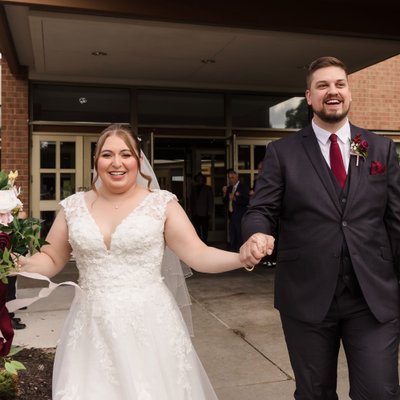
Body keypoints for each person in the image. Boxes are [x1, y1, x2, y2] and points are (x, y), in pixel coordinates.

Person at [16, 124, 248, 400]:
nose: (117, 163)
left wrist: (241, 257)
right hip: (91, 327)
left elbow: (199, 254)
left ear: (138, 160)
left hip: (149, 326)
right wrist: (17, 262)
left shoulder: (161, 204)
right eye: (107, 155)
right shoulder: (73, 207)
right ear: (96, 161)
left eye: (125, 154)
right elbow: (51, 258)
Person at [240, 56, 400, 399]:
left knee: (381, 392)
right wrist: (257, 233)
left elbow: (396, 220)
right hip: (306, 295)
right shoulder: (282, 152)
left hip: (372, 296)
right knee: (314, 393)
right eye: (322, 85)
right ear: (309, 97)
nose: (333, 91)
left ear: (349, 92)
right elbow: (261, 209)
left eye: (339, 84)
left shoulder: (380, 148)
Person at [222, 169, 249, 252]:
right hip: (231, 215)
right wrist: (224, 193)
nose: (231, 180)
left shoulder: (243, 187)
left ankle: (240, 253)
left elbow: (247, 201)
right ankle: (233, 253)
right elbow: (225, 201)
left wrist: (235, 199)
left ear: (237, 177)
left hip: (240, 216)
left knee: (239, 235)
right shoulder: (229, 188)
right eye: (229, 178)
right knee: (232, 235)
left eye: (232, 178)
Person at [189, 172, 214, 244]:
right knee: (196, 229)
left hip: (205, 213)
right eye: (198, 179)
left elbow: (210, 200)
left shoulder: (208, 188)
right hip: (195, 213)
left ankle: (204, 242)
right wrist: (190, 210)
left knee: (205, 229)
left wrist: (210, 211)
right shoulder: (194, 188)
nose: (200, 180)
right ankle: (199, 243)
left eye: (201, 179)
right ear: (196, 180)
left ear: (203, 180)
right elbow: (191, 200)